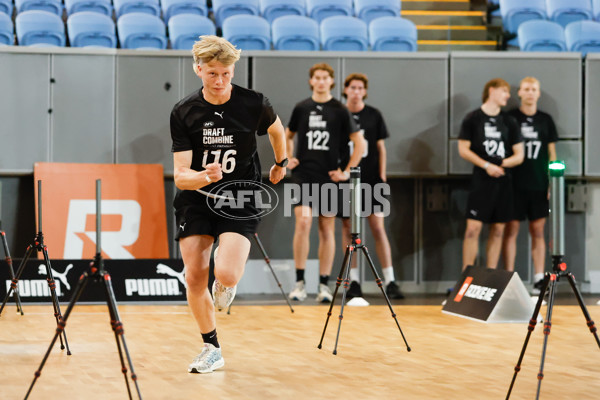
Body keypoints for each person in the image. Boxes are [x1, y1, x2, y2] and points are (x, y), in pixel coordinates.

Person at [170, 35, 287, 373]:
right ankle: (211, 347)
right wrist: (204, 176)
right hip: (197, 198)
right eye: (212, 74)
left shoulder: (254, 103)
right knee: (194, 277)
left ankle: (225, 278)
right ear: (198, 70)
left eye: (226, 73)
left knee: (227, 273)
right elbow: (180, 175)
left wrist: (281, 162)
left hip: (241, 195)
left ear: (233, 70)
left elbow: (277, 132)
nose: (219, 81)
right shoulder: (184, 111)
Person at [286, 63, 365, 302]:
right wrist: (288, 157)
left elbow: (359, 144)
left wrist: (346, 171)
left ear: (331, 82)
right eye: (317, 78)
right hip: (304, 174)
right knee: (303, 222)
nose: (320, 82)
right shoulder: (302, 108)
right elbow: (287, 135)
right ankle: (299, 282)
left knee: (326, 228)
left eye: (325, 78)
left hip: (329, 175)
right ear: (311, 81)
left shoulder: (340, 110)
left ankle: (324, 284)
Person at [339, 73, 404, 303]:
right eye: (352, 87)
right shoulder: (339, 112)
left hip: (372, 178)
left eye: (360, 88)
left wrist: (383, 176)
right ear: (345, 89)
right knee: (349, 230)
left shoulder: (373, 115)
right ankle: (353, 281)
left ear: (364, 92)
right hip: (348, 179)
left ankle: (390, 280)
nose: (356, 91)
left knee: (377, 226)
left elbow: (381, 147)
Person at [458, 78, 524, 271]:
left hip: (503, 180)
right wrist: (486, 165)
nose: (507, 96)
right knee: (473, 229)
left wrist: (500, 164)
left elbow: (519, 155)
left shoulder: (509, 121)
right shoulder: (472, 118)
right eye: (504, 91)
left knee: (498, 230)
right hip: (481, 180)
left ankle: (490, 277)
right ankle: (466, 277)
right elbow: (463, 149)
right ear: (492, 91)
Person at [502, 77, 558, 294]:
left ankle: (538, 278)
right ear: (520, 93)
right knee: (511, 230)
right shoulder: (510, 118)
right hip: (514, 183)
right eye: (526, 89)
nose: (530, 93)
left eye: (534, 89)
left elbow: (552, 153)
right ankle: (508, 278)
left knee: (538, 230)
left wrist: (552, 181)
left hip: (538, 183)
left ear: (539, 93)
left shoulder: (546, 120)